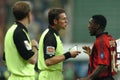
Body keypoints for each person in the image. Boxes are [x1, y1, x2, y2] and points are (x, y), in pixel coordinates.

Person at [38, 8, 80, 80]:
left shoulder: (54, 35)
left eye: (66, 19)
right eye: (63, 19)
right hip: (49, 76)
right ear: (55, 21)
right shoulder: (50, 36)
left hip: (54, 75)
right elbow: (48, 61)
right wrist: (69, 54)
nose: (66, 21)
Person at [4, 1, 38, 80]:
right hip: (22, 78)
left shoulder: (10, 31)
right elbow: (32, 59)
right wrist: (35, 46)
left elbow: (5, 59)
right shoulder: (19, 32)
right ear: (28, 14)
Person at [81, 15, 118, 80]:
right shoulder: (110, 39)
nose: (88, 26)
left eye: (90, 23)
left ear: (97, 26)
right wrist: (92, 55)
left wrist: (88, 78)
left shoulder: (101, 41)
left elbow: (103, 65)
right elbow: (107, 59)